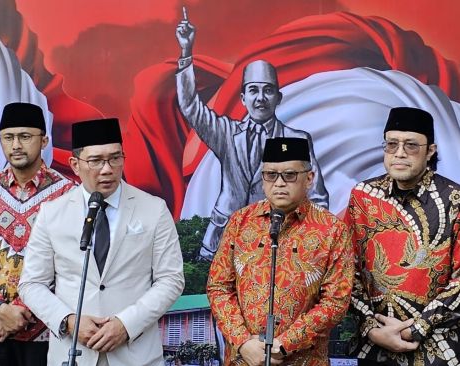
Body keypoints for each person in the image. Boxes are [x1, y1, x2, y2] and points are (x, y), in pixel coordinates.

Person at [19, 118, 184, 365]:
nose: (107, 169)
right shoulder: (52, 213)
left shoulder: (153, 209)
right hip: (74, 353)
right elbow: (32, 283)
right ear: (75, 165)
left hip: (135, 353)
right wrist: (69, 321)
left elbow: (170, 279)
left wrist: (126, 324)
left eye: (115, 158)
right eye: (95, 161)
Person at [175, 16, 329, 260]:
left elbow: (317, 196)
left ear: (278, 98)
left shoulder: (296, 139)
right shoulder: (225, 133)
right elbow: (190, 106)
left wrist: (309, 242)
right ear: (243, 98)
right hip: (222, 243)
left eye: (268, 90)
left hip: (278, 243)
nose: (260, 98)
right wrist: (186, 51)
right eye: (253, 90)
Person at [207, 137, 353, 366]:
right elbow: (218, 287)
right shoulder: (240, 222)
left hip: (304, 359)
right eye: (271, 175)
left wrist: (286, 344)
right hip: (243, 359)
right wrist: (243, 341)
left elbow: (336, 302)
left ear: (309, 179)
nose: (280, 183)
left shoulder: (332, 230)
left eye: (290, 175)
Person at [0, 102, 75, 365]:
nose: (16, 145)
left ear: (44, 140)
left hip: (45, 334)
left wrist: (20, 314)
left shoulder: (66, 193)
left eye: (25, 137)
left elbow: (68, 265)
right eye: (8, 137)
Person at [346, 107, 460, 366]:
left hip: (438, 346)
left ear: (430, 150)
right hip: (373, 344)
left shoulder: (454, 199)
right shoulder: (363, 197)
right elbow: (346, 269)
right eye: (391, 144)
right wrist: (372, 328)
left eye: (411, 145)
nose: (399, 153)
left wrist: (415, 328)